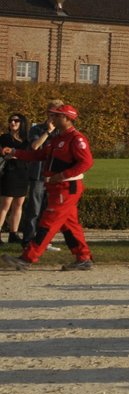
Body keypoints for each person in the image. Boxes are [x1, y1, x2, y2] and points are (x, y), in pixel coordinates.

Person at [0, 104, 95, 271]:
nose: (52, 118)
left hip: (67, 187)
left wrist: (62, 175)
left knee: (47, 223)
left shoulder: (76, 139)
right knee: (69, 225)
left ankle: (27, 258)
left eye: (57, 116)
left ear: (67, 118)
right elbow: (38, 155)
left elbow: (86, 162)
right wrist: (15, 152)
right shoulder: (57, 138)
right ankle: (83, 258)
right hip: (57, 187)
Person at [16, 104, 58, 249]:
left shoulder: (62, 132)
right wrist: (47, 132)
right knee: (34, 209)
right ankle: (28, 240)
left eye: (57, 114)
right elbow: (35, 146)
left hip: (54, 176)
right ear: (47, 114)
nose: (54, 117)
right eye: (52, 114)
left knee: (48, 210)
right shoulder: (37, 129)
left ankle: (43, 241)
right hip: (39, 174)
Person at [1, 114, 31, 243]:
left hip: (22, 173)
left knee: (19, 204)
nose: (12, 122)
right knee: (5, 205)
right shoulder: (4, 138)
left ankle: (13, 233)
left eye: (16, 120)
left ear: (22, 123)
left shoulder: (26, 140)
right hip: (9, 172)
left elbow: (31, 154)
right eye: (11, 120)